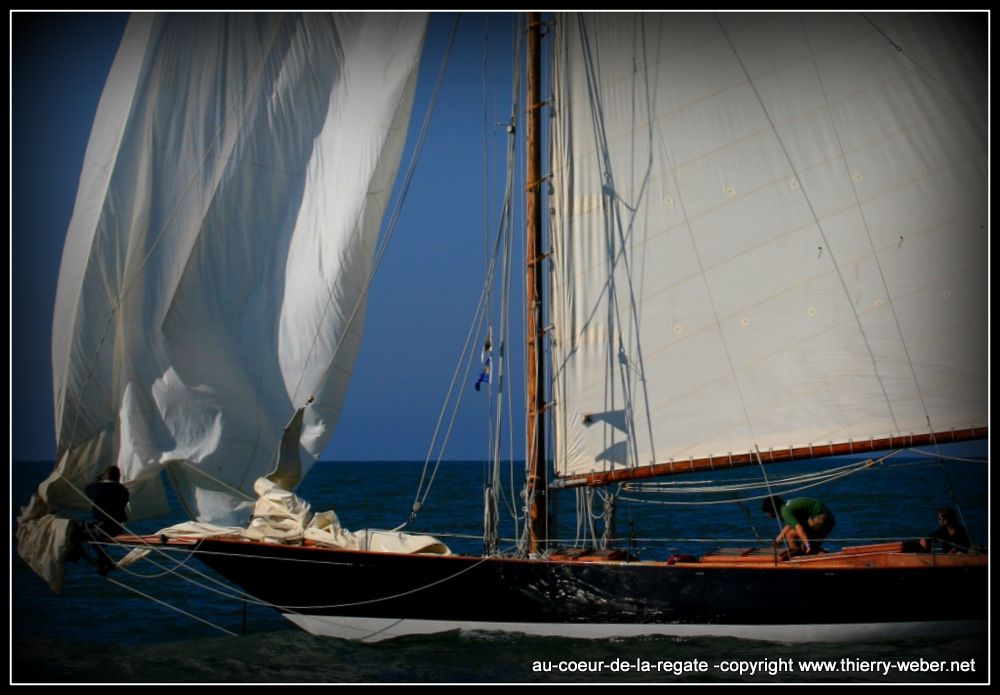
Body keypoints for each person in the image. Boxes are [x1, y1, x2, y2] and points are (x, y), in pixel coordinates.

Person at [84, 465, 130, 575]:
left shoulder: (99, 488)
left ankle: (105, 562)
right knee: (95, 538)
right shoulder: (123, 490)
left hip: (103, 528)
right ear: (118, 477)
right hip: (117, 527)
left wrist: (98, 480)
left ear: (106, 476)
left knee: (83, 534)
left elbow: (87, 490)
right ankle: (105, 562)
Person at [762, 495, 835, 558]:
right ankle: (800, 552)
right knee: (811, 548)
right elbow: (790, 524)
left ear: (772, 510)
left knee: (791, 535)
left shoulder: (785, 512)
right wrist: (779, 539)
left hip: (821, 518)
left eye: (767, 512)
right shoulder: (785, 507)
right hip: (826, 517)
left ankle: (797, 553)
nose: (767, 515)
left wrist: (807, 544)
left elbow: (798, 527)